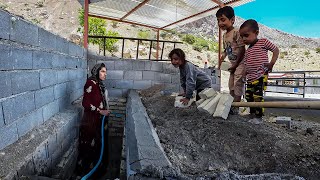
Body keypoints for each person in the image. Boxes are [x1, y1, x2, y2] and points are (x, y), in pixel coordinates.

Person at [239, 19, 279, 123]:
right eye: (242, 36)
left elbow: (276, 50)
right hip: (250, 78)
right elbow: (246, 64)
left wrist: (272, 63)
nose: (244, 39)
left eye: (246, 35)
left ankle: (259, 117)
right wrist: (244, 75)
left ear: (256, 33)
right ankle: (252, 114)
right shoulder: (248, 50)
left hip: (260, 75)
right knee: (249, 96)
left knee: (258, 95)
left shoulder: (263, 42)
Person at [76, 63, 110, 178]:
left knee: (98, 146)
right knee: (88, 148)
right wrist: (101, 111)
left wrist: (105, 111)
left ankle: (96, 171)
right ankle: (85, 173)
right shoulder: (91, 83)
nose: (105, 74)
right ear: (96, 72)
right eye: (103, 71)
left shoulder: (100, 84)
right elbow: (85, 103)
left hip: (98, 122)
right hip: (90, 122)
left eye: (105, 71)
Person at [216, 6, 246, 115]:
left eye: (223, 19)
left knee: (237, 84)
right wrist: (222, 56)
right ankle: (231, 105)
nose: (220, 23)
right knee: (231, 85)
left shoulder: (236, 32)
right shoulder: (224, 35)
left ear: (232, 19)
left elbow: (242, 49)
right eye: (218, 20)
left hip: (241, 63)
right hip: (233, 64)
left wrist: (236, 64)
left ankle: (236, 108)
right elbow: (227, 49)